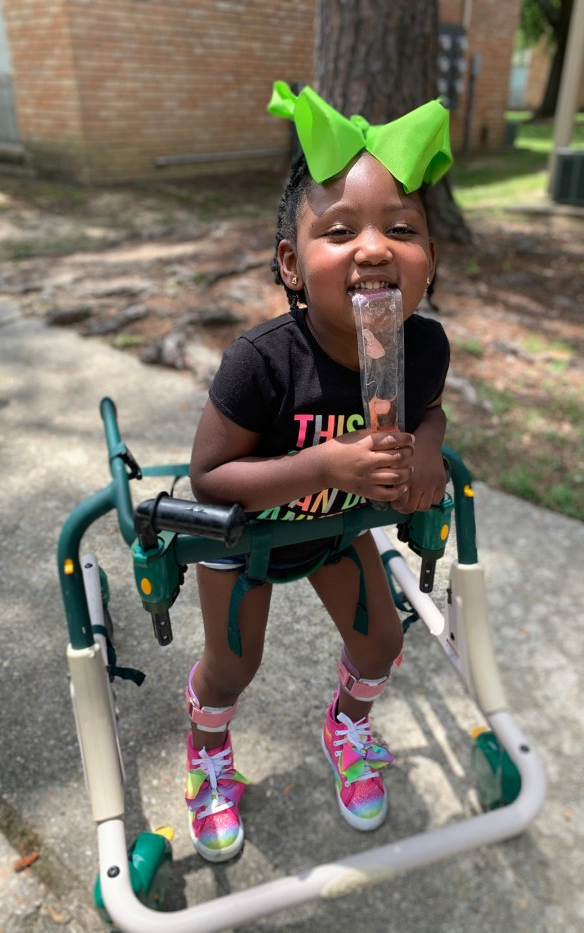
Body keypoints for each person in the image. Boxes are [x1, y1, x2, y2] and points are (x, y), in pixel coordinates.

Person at [184, 81, 453, 862]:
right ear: (292, 264)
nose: (373, 248)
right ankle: (208, 752)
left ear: (430, 260)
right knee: (233, 665)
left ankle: (347, 724)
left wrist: (426, 443)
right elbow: (210, 476)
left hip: (334, 531)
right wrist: (326, 463)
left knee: (380, 642)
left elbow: (428, 410)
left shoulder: (423, 348)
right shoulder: (262, 363)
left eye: (401, 228)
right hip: (243, 538)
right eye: (339, 231)